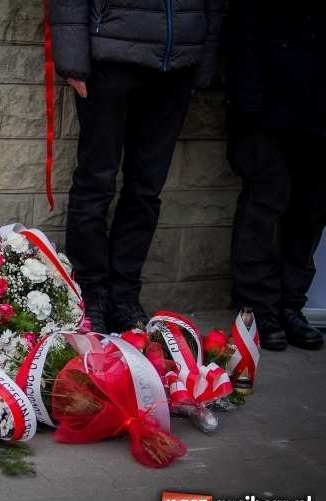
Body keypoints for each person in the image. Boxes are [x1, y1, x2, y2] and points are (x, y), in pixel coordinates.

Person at [48, 0, 222, 333]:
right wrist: (71, 57)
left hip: (178, 67)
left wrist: (204, 59)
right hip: (110, 60)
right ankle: (90, 295)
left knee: (146, 190)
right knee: (95, 184)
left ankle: (124, 298)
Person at [225, 0, 325, 350]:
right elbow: (244, 30)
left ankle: (290, 306)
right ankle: (258, 310)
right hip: (269, 105)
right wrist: (245, 104)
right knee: (264, 209)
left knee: (311, 213)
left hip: (320, 107)